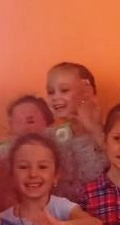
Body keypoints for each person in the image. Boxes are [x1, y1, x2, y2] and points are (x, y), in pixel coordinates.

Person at [45, 62, 107, 202]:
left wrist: (93, 129)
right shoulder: (48, 137)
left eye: (64, 90)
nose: (55, 97)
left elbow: (111, 172)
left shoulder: (108, 133)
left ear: (87, 91)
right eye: (50, 92)